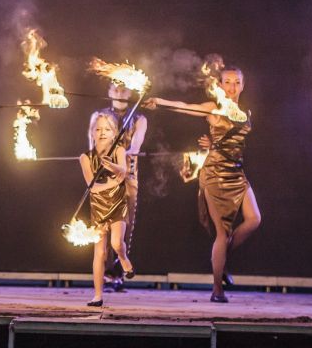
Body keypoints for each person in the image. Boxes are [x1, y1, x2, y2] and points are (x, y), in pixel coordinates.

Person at [145, 67, 261, 303]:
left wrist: (214, 144)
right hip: (215, 173)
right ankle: (217, 289)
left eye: (236, 82)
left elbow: (235, 142)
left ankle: (222, 260)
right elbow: (185, 107)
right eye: (227, 82)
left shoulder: (244, 112)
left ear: (243, 85)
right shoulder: (213, 107)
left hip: (236, 172)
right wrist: (160, 102)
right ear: (220, 84)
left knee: (254, 219)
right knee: (222, 232)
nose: (232, 87)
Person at [89, 84, 147, 292]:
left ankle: (118, 273)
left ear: (130, 92)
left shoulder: (139, 118)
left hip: (127, 176)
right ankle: (105, 274)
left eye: (124, 89)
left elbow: (135, 147)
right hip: (103, 176)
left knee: (124, 225)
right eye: (115, 88)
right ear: (109, 91)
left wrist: (120, 157)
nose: (120, 92)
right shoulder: (98, 116)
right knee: (103, 225)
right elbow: (92, 145)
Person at [80, 112, 135, 307]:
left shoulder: (119, 150)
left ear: (114, 133)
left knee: (116, 243)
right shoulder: (85, 158)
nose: (102, 132)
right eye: (98, 129)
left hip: (117, 203)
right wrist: (113, 182)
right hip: (98, 206)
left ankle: (123, 258)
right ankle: (97, 295)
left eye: (107, 129)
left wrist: (112, 167)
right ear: (92, 133)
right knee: (100, 252)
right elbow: (92, 187)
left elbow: (124, 171)